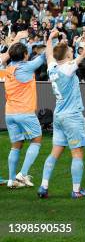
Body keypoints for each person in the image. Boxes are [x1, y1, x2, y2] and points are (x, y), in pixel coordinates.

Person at [37, 30, 85, 199]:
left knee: (55, 152)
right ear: (67, 55)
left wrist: (50, 38)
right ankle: (76, 190)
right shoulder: (68, 68)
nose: (72, 52)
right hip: (71, 116)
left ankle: (43, 186)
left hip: (59, 116)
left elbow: (48, 54)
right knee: (77, 153)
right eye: (70, 51)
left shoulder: (52, 67)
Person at [0, 30, 45, 189]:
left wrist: (17, 39)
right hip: (24, 111)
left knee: (16, 145)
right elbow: (45, 56)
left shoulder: (6, 68)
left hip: (10, 113)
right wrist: (51, 38)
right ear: (26, 55)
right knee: (37, 139)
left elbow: (5, 57)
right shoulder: (27, 67)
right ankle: (23, 174)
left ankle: (12, 180)